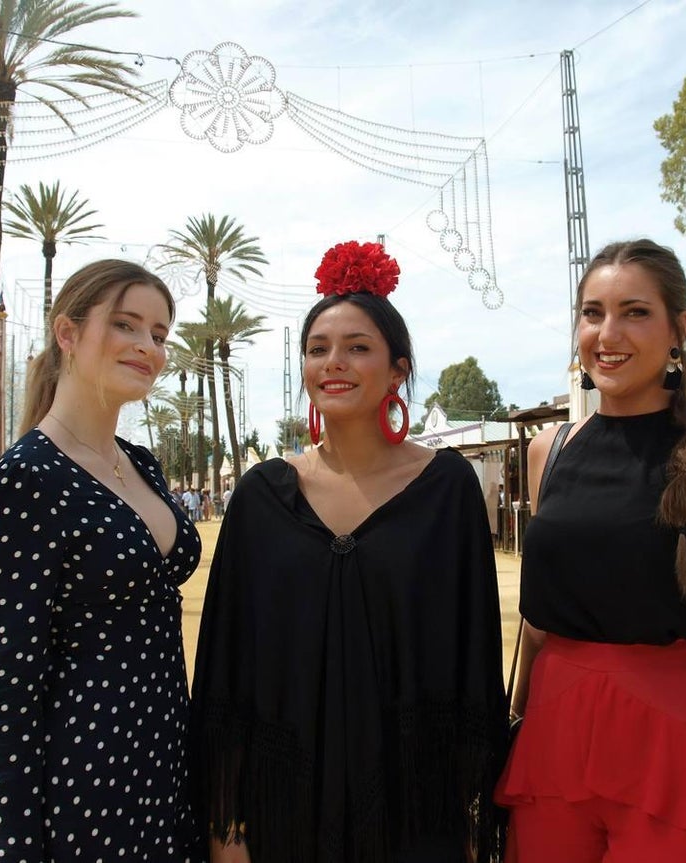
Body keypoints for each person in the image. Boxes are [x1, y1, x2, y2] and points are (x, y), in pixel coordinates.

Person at [188, 240, 507, 863]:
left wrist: (470, 812)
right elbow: (228, 665)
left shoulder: (447, 491)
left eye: (358, 347)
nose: (333, 363)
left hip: (414, 812)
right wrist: (228, 826)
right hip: (286, 809)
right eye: (318, 348)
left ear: (397, 370)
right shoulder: (260, 499)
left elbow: (471, 658)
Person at [496, 239, 686, 863]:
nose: (608, 333)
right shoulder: (547, 450)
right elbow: (539, 621)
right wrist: (515, 725)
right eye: (592, 313)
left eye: (635, 312)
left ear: (679, 330)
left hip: (684, 739)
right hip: (554, 739)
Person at [0, 260, 204, 862]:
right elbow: (7, 686)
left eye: (160, 334)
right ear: (67, 334)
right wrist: (9, 844)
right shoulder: (26, 479)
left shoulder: (141, 464)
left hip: (166, 771)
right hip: (85, 792)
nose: (148, 347)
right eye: (126, 325)